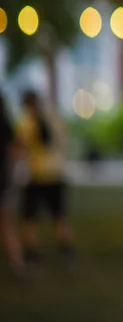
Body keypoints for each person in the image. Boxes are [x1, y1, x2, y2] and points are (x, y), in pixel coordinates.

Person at [16, 89, 75, 271]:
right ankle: (66, 252)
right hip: (56, 173)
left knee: (30, 218)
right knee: (60, 216)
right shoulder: (54, 119)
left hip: (37, 175)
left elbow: (20, 149)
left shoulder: (27, 124)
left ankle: (33, 254)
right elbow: (64, 142)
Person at [0, 90, 25, 278]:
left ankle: (17, 263)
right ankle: (17, 263)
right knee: (6, 224)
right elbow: (17, 146)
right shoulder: (6, 123)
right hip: (4, 180)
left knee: (6, 224)